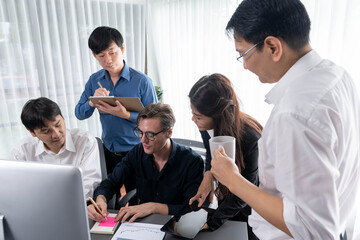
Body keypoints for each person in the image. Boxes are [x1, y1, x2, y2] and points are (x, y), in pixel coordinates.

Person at [210, 0, 360, 239]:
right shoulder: (337, 75)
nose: (245, 67)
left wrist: (233, 180)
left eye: (243, 55)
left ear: (272, 47)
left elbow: (312, 228)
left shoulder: (296, 112)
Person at [87, 103, 204, 223]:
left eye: (150, 134)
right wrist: (100, 200)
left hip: (176, 224)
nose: (143, 140)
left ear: (169, 132)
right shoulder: (137, 152)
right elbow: (111, 182)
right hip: (143, 224)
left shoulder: (192, 162)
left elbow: (193, 209)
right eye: (140, 132)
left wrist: (154, 207)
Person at [75, 26, 157, 175]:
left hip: (138, 150)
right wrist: (92, 102)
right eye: (101, 55)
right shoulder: (94, 80)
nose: (108, 60)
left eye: (112, 52)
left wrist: (126, 115)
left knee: (138, 196)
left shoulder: (142, 81)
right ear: (94, 55)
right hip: (108, 151)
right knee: (109, 195)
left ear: (122, 48)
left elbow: (156, 120)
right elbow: (79, 114)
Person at [188, 73, 262, 240]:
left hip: (255, 205)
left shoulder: (251, 138)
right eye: (193, 113)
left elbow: (246, 193)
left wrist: (213, 222)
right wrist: (208, 174)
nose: (193, 119)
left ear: (218, 115)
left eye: (198, 116)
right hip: (230, 198)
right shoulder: (207, 126)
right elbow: (210, 152)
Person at [12, 97, 102, 199]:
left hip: (78, 203)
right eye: (46, 131)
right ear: (32, 132)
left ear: (63, 118)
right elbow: (18, 188)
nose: (56, 134)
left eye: (58, 125)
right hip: (39, 206)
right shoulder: (22, 151)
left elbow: (89, 183)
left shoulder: (85, 141)